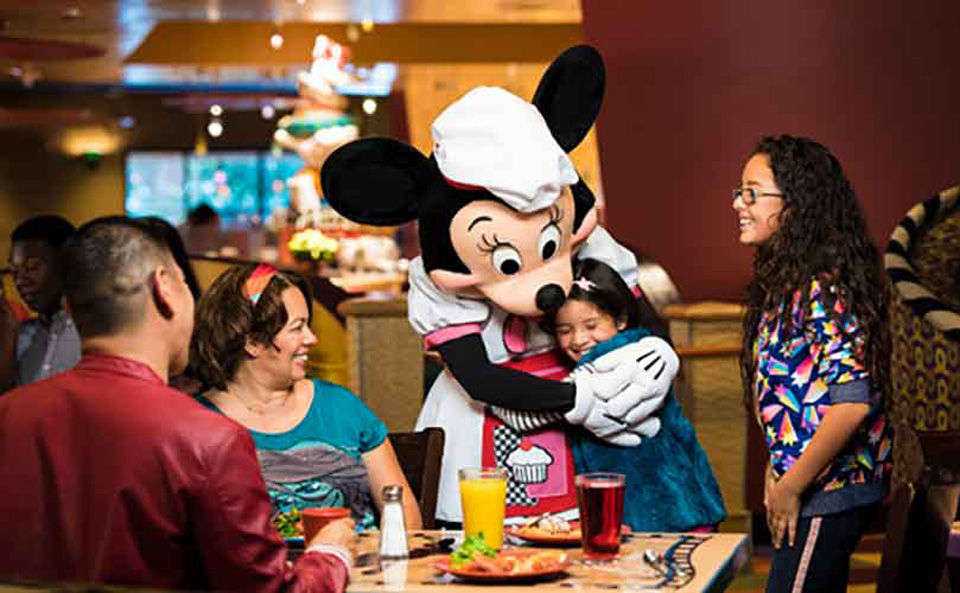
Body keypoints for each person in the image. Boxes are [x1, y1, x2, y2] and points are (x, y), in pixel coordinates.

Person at [0, 216, 356, 592]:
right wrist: (330, 555)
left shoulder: (8, 417)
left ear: (70, 307)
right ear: (165, 289)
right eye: (186, 285)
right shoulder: (207, 438)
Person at [735, 136, 892, 593]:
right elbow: (791, 399)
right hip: (809, 484)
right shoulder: (786, 288)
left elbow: (851, 405)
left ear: (796, 204)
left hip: (830, 490)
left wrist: (790, 487)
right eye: (739, 193)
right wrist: (776, 466)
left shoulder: (821, 289)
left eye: (752, 193)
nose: (739, 205)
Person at [495, 258, 727, 531]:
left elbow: (524, 418)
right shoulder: (624, 351)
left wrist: (484, 387)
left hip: (666, 513)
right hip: (670, 510)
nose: (579, 339)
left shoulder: (620, 362)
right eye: (565, 331)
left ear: (620, 320)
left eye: (591, 326)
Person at [190, 263, 422, 530]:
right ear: (252, 342)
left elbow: (403, 509)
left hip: (358, 568)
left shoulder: (340, 407)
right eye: (297, 327)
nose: (311, 338)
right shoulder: (197, 425)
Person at [0, 215, 80, 391]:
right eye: (14, 271)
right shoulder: (20, 336)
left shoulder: (94, 333)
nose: (20, 281)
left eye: (31, 268)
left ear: (67, 265)